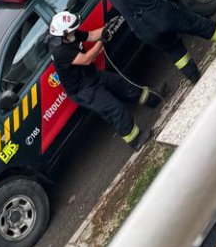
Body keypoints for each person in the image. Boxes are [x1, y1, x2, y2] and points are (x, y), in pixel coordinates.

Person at [46, 10, 162, 149]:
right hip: (83, 90)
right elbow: (86, 59)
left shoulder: (70, 35)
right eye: (72, 28)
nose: (75, 30)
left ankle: (154, 98)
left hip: (92, 75)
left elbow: (91, 35)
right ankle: (135, 140)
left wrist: (106, 28)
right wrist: (102, 41)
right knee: (115, 109)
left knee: (124, 85)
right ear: (63, 33)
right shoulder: (60, 51)